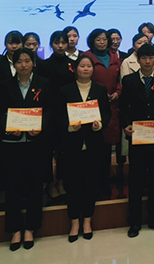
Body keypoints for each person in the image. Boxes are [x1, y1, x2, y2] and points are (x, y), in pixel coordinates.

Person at [0, 48, 51, 251]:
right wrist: (9, 129)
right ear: (14, 64)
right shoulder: (5, 85)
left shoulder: (44, 84)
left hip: (36, 144)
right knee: (13, 188)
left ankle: (30, 228)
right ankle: (14, 230)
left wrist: (41, 126)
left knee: (34, 187)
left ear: (33, 62)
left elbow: (50, 111)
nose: (23, 65)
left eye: (27, 61)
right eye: (19, 61)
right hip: (13, 144)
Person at [120, 43, 154, 237]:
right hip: (137, 137)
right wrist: (126, 125)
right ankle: (134, 222)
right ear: (138, 60)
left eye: (151, 58)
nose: (148, 61)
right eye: (144, 58)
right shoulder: (129, 80)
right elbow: (124, 107)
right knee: (135, 179)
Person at [59, 55, 111, 242]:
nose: (86, 69)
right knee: (72, 184)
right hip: (71, 145)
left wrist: (100, 124)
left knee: (90, 183)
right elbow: (59, 115)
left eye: (89, 66)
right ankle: (74, 222)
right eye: (82, 66)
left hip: (93, 144)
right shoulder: (65, 90)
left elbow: (106, 113)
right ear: (75, 69)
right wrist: (70, 126)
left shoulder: (100, 89)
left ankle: (87, 220)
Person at [84, 28, 122, 194]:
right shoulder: (86, 57)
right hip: (92, 107)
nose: (102, 42)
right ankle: (93, 183)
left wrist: (118, 93)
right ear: (92, 41)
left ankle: (105, 182)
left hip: (112, 106)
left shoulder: (114, 58)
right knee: (94, 147)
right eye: (98, 39)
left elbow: (120, 80)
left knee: (107, 147)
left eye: (104, 39)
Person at [37, 30, 74, 199]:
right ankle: (49, 183)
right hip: (49, 112)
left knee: (64, 151)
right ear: (51, 44)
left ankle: (61, 181)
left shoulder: (73, 64)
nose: (60, 46)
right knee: (46, 151)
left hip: (67, 113)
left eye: (63, 42)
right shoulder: (44, 65)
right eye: (56, 42)